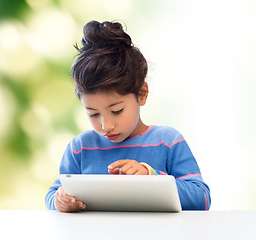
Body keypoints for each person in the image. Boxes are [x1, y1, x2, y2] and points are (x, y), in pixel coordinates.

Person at [45, 20, 211, 212]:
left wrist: (152, 177)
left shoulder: (167, 142)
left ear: (142, 94)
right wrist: (60, 202)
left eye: (116, 111)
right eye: (93, 114)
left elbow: (202, 199)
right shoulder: (80, 148)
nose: (106, 125)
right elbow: (54, 195)